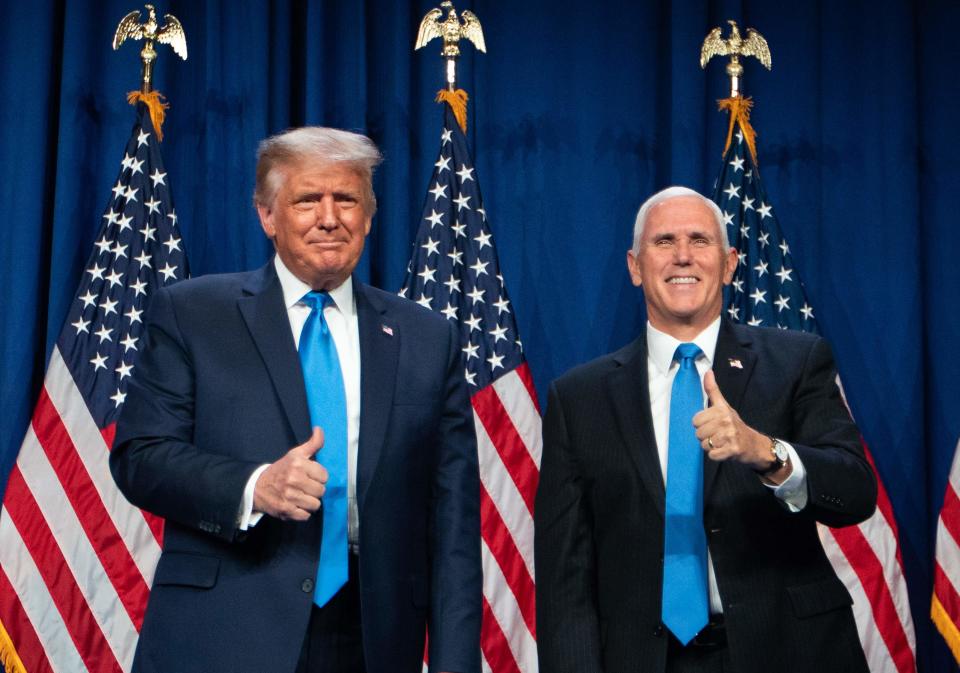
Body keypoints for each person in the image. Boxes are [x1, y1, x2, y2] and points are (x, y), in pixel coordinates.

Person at [111, 127, 481, 673]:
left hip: (372, 639)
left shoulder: (428, 337)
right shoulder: (193, 314)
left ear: (369, 216)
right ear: (267, 215)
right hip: (226, 630)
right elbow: (140, 456)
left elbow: (453, 523)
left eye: (347, 199)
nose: (329, 218)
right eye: (308, 199)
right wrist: (254, 486)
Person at [534, 186, 876, 673]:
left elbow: (855, 492)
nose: (682, 257)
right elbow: (564, 576)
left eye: (700, 240)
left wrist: (766, 452)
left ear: (730, 262)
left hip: (788, 651)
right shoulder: (578, 397)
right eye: (664, 242)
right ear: (634, 266)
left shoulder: (797, 361)